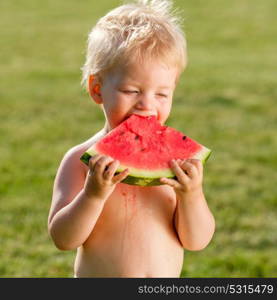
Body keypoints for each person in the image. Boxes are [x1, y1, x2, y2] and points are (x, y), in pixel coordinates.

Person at [48, 0, 215, 278]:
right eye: (131, 90)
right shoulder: (80, 161)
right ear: (97, 88)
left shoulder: (176, 166)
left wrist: (191, 195)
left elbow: (196, 241)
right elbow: (63, 239)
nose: (146, 105)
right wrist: (93, 194)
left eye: (161, 94)